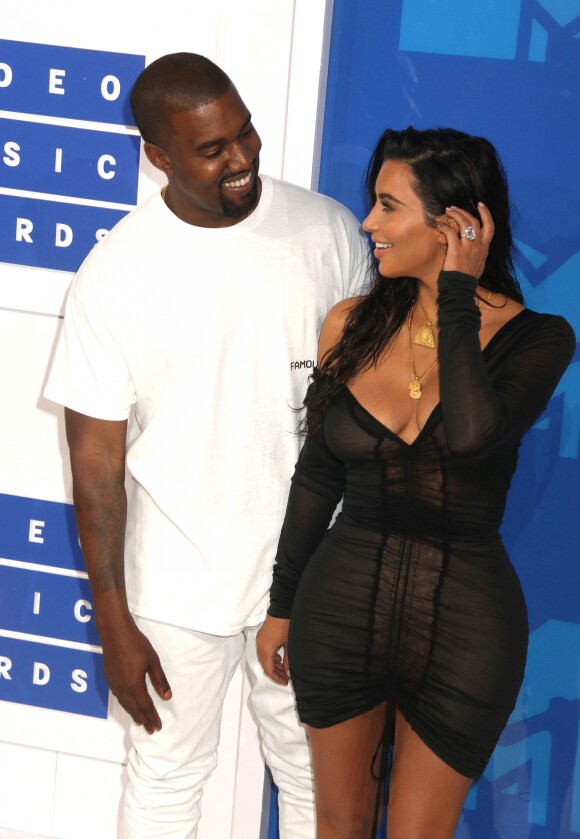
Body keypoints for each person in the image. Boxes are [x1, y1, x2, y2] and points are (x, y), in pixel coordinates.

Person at [44, 52, 368, 838]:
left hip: (309, 574)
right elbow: (96, 475)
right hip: (175, 590)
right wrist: (113, 624)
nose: (242, 158)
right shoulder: (115, 273)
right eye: (212, 148)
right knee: (164, 778)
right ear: (157, 156)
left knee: (315, 782)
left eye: (245, 132)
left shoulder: (325, 231)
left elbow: (371, 408)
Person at [257, 126, 576, 839]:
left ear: (457, 224)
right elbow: (317, 475)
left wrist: (457, 292)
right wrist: (282, 604)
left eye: (387, 206)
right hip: (338, 607)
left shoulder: (542, 338)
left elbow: (468, 434)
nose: (368, 223)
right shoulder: (350, 324)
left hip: (465, 623)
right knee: (337, 825)